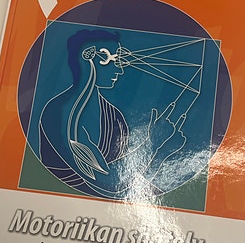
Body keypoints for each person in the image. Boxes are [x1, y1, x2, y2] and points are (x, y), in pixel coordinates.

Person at [39, 28, 187, 199]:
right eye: (114, 60)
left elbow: (127, 174)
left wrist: (153, 142)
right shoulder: (58, 112)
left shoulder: (114, 116)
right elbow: (110, 183)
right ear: (89, 57)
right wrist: (156, 146)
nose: (120, 70)